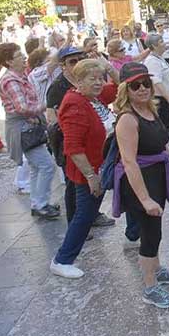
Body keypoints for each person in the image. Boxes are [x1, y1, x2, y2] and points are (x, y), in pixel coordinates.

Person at [113, 63, 169, 308]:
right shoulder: (128, 120)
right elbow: (129, 162)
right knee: (150, 234)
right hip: (140, 183)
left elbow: (162, 145)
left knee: (155, 230)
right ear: (126, 89)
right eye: (135, 85)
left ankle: (157, 270)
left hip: (157, 177)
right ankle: (150, 286)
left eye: (146, 83)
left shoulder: (149, 110)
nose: (142, 88)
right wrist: (144, 199)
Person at [50, 59, 119, 278]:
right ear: (79, 81)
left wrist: (108, 68)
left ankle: (134, 233)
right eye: (93, 79)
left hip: (100, 166)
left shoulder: (92, 98)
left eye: (100, 78)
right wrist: (91, 175)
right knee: (84, 215)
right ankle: (62, 259)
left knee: (87, 213)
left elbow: (120, 86)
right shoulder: (75, 104)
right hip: (87, 171)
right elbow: (73, 147)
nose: (99, 83)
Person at [0, 43, 59, 219]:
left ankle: (38, 202)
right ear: (9, 61)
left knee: (35, 167)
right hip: (23, 129)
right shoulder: (11, 80)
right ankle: (41, 204)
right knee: (47, 165)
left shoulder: (19, 76)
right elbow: (22, 107)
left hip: (27, 127)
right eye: (19, 56)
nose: (24, 58)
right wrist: (43, 107)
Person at [143, 34, 169, 136]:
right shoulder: (152, 61)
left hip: (167, 95)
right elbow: (156, 81)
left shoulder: (159, 58)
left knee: (167, 125)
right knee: (168, 125)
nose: (164, 43)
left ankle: (163, 143)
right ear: (154, 46)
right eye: (161, 42)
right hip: (160, 98)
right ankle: (160, 144)